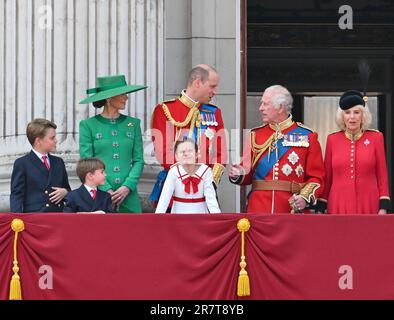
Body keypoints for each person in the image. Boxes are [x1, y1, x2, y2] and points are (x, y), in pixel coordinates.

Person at [229, 85, 325, 214]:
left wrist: (304, 197)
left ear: (280, 107)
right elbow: (247, 175)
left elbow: (316, 178)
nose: (260, 108)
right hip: (259, 209)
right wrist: (238, 173)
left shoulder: (308, 136)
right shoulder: (255, 135)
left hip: (290, 209)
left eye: (265, 104)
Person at [150, 64, 227, 206]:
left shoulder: (214, 112)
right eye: (212, 86)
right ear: (197, 83)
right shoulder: (165, 110)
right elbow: (163, 152)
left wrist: (208, 181)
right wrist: (186, 178)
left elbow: (220, 154)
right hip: (174, 189)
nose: (215, 91)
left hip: (206, 190)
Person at [79, 75, 147, 213]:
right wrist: (106, 189)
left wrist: (127, 186)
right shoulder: (88, 125)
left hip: (129, 194)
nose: (126, 98)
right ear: (109, 98)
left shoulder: (133, 124)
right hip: (100, 193)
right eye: (122, 94)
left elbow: (139, 160)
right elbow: (86, 162)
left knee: (134, 232)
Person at [317, 90, 391, 214]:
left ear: (363, 116)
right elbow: (327, 177)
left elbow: (382, 175)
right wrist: (321, 205)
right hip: (338, 203)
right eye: (347, 113)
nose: (352, 117)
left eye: (356, 112)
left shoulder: (376, 138)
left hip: (368, 202)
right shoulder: (332, 139)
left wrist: (383, 206)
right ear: (342, 116)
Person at [10, 119, 71, 212]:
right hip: (35, 217)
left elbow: (67, 188)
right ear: (38, 141)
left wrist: (65, 192)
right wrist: (17, 218)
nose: (56, 140)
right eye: (52, 138)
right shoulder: (22, 163)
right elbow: (17, 195)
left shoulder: (59, 162)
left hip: (58, 216)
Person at [155, 138, 220, 213]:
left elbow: (211, 199)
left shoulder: (206, 171)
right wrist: (158, 218)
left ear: (196, 154)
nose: (186, 154)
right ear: (176, 156)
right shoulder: (173, 172)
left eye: (190, 151)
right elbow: (164, 198)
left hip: (200, 216)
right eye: (182, 152)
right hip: (178, 216)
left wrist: (217, 218)